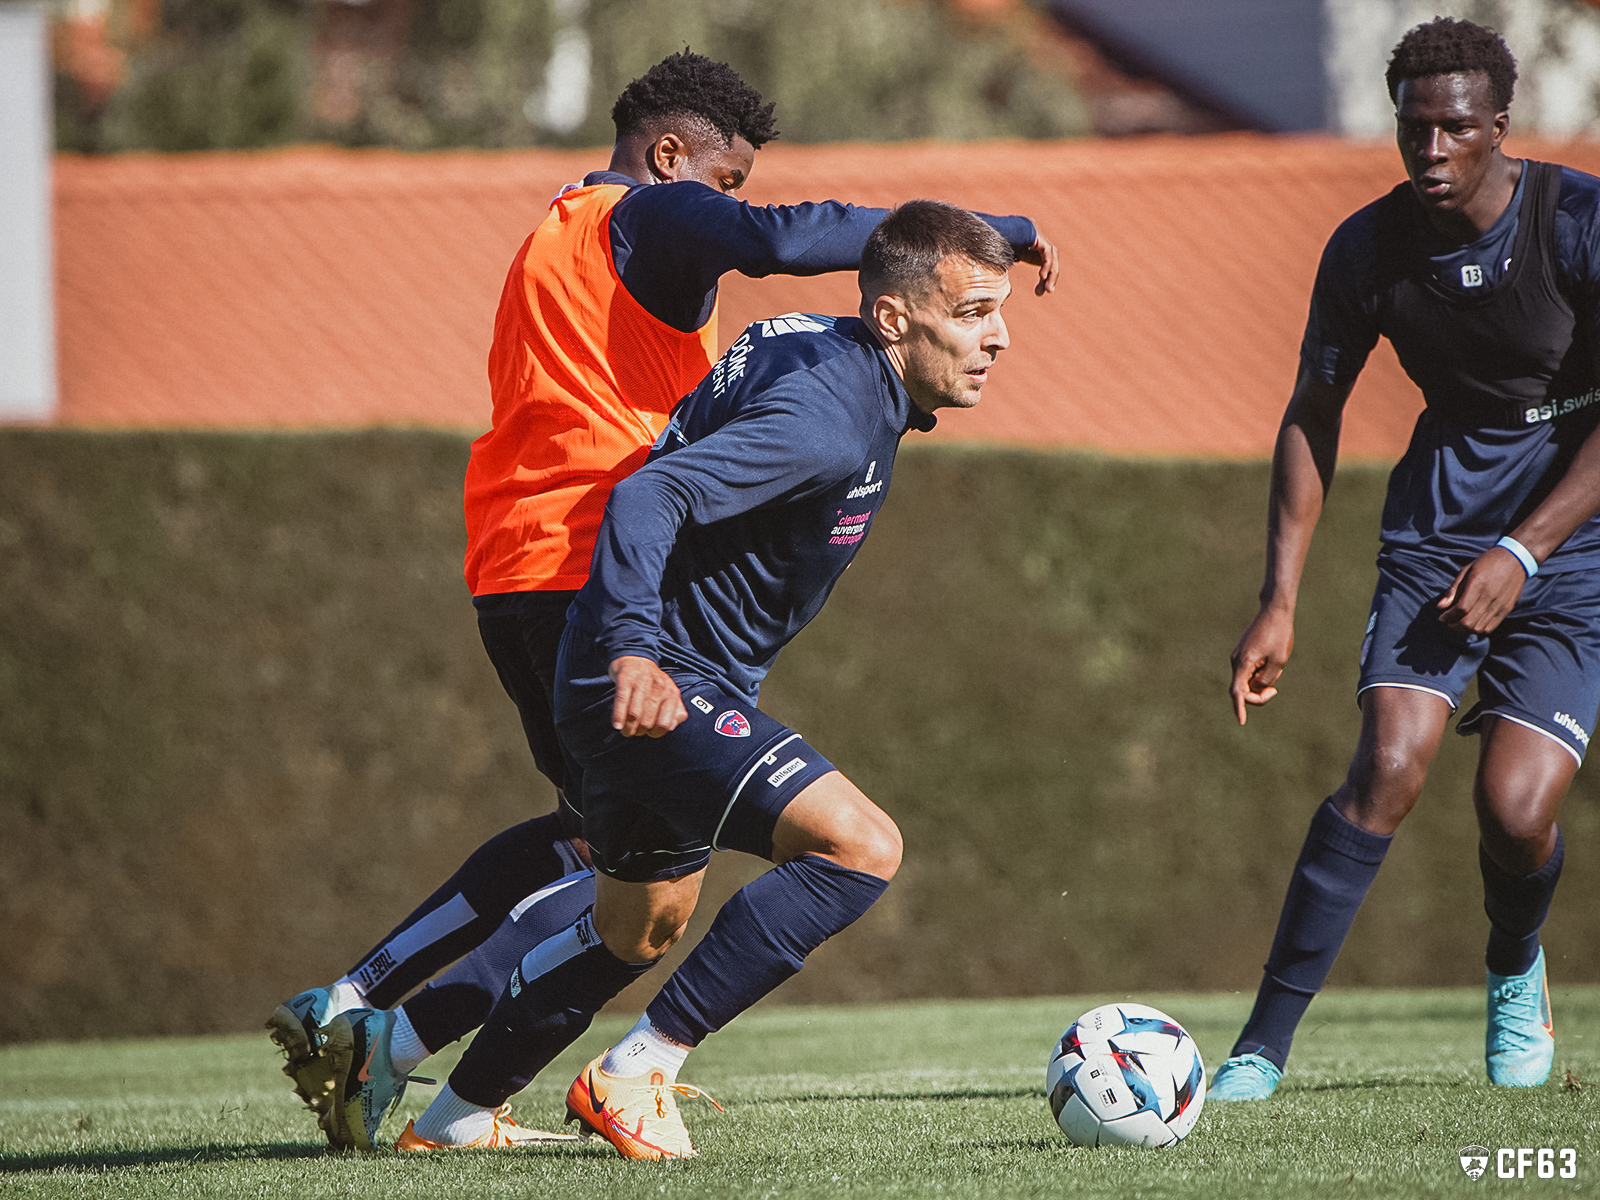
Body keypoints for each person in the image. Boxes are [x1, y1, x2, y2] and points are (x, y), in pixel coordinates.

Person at [265, 52, 1059, 1151]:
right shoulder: (646, 214)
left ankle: (394, 1047)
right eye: (725, 183)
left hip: (516, 555)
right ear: (672, 154)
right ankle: (417, 1032)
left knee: (616, 878)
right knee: (678, 856)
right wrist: (983, 229)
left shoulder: (557, 234)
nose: (727, 210)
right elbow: (781, 245)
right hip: (595, 568)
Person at [391, 200, 1024, 1157]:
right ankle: (636, 1070)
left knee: (637, 930)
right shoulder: (827, 419)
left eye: (1000, 309)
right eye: (974, 313)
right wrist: (635, 651)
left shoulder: (821, 349)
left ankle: (452, 1120)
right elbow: (652, 491)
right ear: (894, 319)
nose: (999, 338)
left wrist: (1013, 226)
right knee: (860, 847)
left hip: (632, 680)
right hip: (654, 684)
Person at [1215, 17, 1600, 1101]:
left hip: (1575, 548)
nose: (1431, 150)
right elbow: (1312, 412)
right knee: (1386, 768)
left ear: (1499, 126)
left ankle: (1514, 966)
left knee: (1515, 813)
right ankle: (1260, 1048)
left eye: (1456, 129)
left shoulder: (1578, 222)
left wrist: (1523, 550)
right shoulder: (1367, 249)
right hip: (1437, 538)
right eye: (1413, 127)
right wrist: (1278, 599)